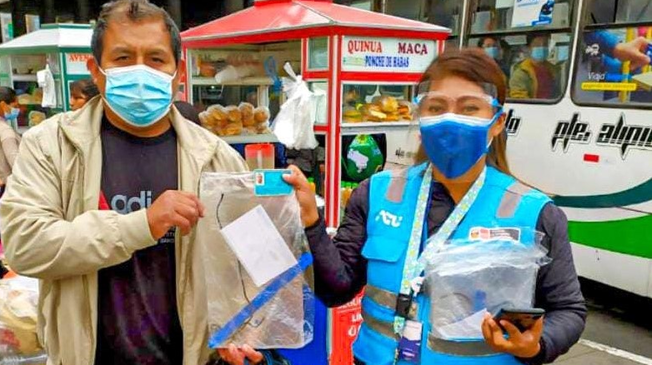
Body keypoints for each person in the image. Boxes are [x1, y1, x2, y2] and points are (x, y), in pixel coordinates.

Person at [282, 48, 586, 365]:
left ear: (497, 123)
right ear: (420, 116)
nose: (451, 121)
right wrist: (311, 223)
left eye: (470, 108)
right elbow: (336, 289)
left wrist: (537, 346)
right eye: (436, 107)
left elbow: (569, 310)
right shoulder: (376, 194)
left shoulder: (535, 213)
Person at [0, 1, 260, 365]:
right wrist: (143, 224)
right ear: (96, 70)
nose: (140, 71)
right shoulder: (51, 146)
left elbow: (254, 263)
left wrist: (241, 329)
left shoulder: (216, 157)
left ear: (177, 71)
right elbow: (24, 246)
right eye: (122, 58)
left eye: (155, 59)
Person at [509, 33, 561, 99]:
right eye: (537, 45)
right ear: (529, 48)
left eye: (545, 45)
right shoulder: (521, 73)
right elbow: (520, 99)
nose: (542, 48)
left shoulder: (555, 69)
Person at [0, 87, 21, 190]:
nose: (17, 110)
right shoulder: (5, 131)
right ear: (3, 105)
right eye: (15, 106)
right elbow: (16, 163)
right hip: (7, 187)